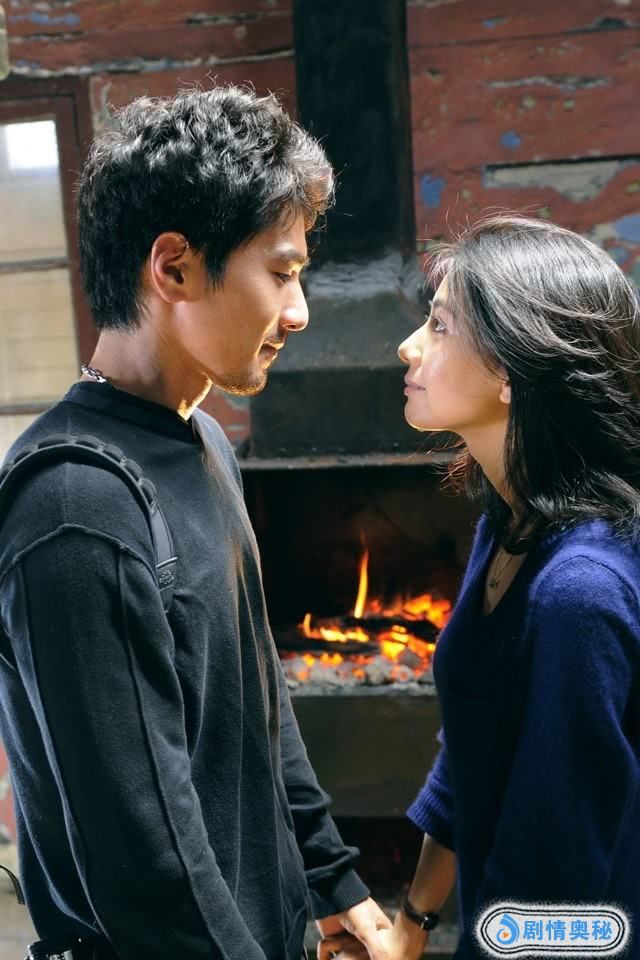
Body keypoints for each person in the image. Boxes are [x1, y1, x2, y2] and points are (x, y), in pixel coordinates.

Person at [0, 87, 392, 960]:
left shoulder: (205, 440)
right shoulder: (75, 504)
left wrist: (330, 878)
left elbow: (257, 695)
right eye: (281, 273)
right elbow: (147, 867)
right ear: (173, 267)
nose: (299, 311)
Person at [318, 214, 640, 960]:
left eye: (439, 325)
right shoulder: (510, 521)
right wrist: (412, 925)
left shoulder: (579, 594)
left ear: (510, 371)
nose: (408, 346)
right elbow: (473, 746)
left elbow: (554, 888)